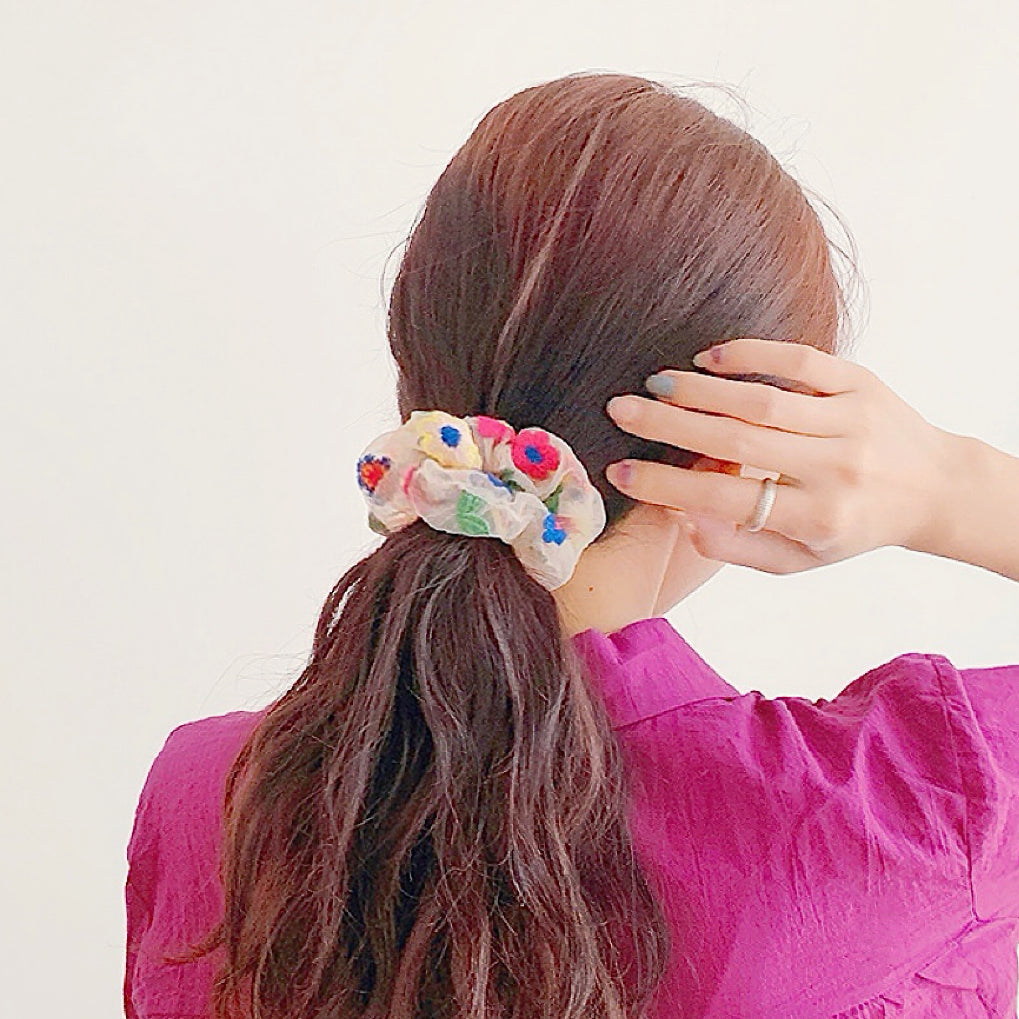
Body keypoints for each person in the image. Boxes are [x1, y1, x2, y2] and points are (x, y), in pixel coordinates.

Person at [124, 71, 1019, 1019]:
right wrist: (951, 486)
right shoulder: (907, 812)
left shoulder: (207, 799)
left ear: (419, 375)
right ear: (736, 451)